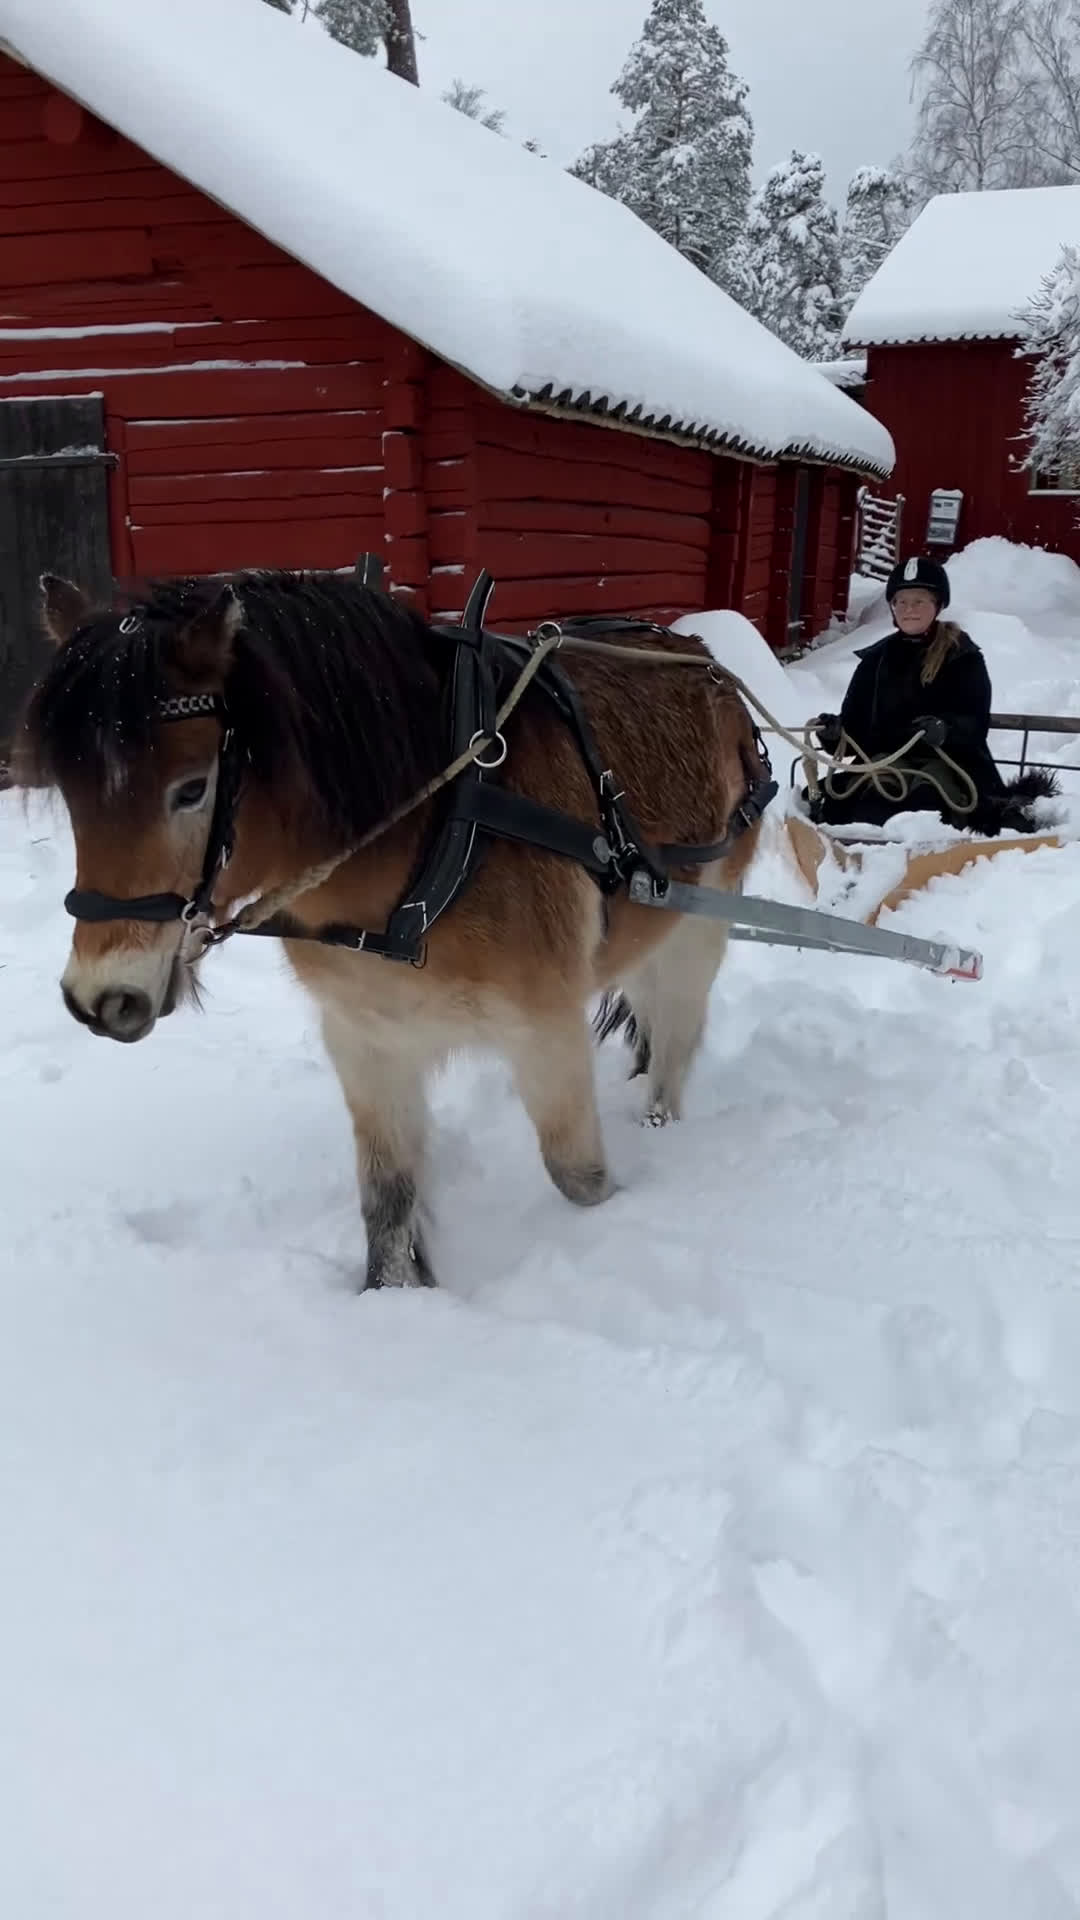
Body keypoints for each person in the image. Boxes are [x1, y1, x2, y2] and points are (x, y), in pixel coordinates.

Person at [811, 555, 1057, 835]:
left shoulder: (963, 657)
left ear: (937, 605)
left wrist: (945, 730)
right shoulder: (874, 662)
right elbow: (857, 732)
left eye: (918, 601)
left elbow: (976, 724)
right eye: (901, 602)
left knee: (922, 806)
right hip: (884, 764)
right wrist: (835, 735)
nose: (909, 610)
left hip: (948, 765)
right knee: (857, 804)